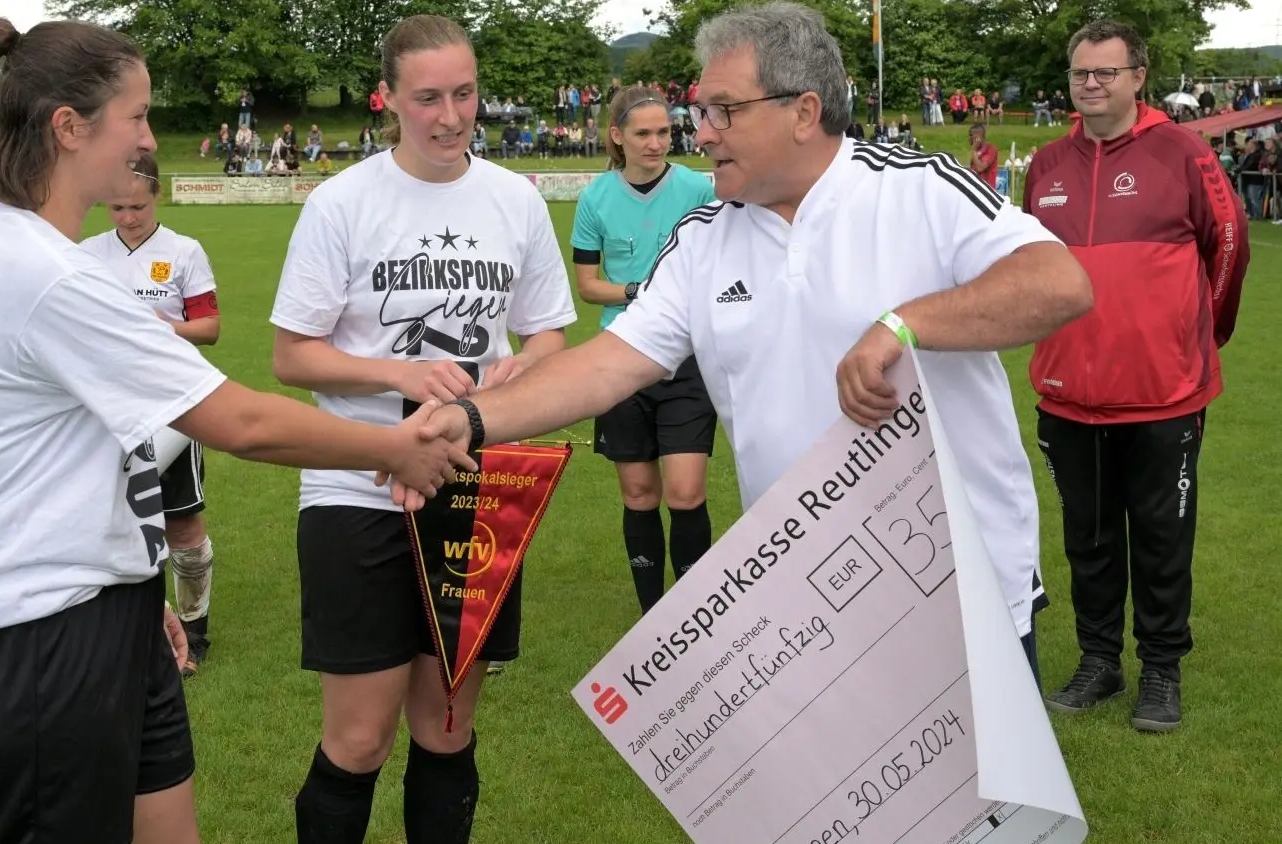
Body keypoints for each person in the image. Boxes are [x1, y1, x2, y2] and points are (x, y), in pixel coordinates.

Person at [404, 1, 1094, 689]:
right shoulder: (704, 238)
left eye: (723, 111)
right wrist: (469, 419)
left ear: (803, 112)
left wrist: (903, 324)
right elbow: (606, 366)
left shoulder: (916, 189)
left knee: (982, 768)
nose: (700, 133)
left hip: (957, 588)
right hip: (809, 603)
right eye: (700, 111)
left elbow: (1058, 282)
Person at [0, 17, 474, 844]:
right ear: (68, 127)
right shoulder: (43, 274)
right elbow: (239, 421)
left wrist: (131, 589)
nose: (149, 139)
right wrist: (396, 448)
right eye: (137, 115)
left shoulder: (25, 252)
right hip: (34, 638)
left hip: (103, 611)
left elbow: (75, 455)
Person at [269, 14, 578, 844]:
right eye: (428, 98)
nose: (450, 117)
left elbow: (548, 333)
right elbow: (292, 357)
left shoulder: (514, 199)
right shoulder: (342, 202)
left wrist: (521, 368)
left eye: (465, 94)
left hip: (475, 490)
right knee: (360, 740)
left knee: (446, 729)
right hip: (357, 489)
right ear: (388, 99)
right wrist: (398, 373)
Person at [1021, 20, 1250, 733]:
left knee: (1160, 538)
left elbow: (1229, 246)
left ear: (1138, 77)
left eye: (1105, 73)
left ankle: (1161, 669)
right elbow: (1026, 266)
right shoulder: (1047, 165)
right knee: (1088, 540)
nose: (1090, 84)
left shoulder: (1182, 152)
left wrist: (1197, 338)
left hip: (1163, 396)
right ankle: (1100, 661)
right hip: (1069, 397)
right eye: (1080, 73)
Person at [570, 84, 718, 615]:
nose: (657, 143)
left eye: (664, 132)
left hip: (685, 360)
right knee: (638, 495)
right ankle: (653, 619)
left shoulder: (698, 189)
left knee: (685, 493)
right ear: (617, 136)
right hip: (620, 359)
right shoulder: (595, 199)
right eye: (644, 134)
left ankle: (698, 618)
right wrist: (640, 291)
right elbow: (589, 286)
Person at [81, 153, 221, 678]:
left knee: (181, 521)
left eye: (137, 206)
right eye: (117, 207)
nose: (128, 217)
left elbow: (210, 327)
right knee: (108, 513)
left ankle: (195, 626)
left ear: (156, 195)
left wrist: (166, 330)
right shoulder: (88, 253)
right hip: (108, 405)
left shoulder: (184, 251)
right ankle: (127, 627)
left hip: (173, 404)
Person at [968, 123, 998, 189]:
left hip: (986, 190)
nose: (969, 138)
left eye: (971, 135)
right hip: (975, 188)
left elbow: (980, 168)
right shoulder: (977, 150)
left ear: (978, 136)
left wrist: (974, 150)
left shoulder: (990, 149)